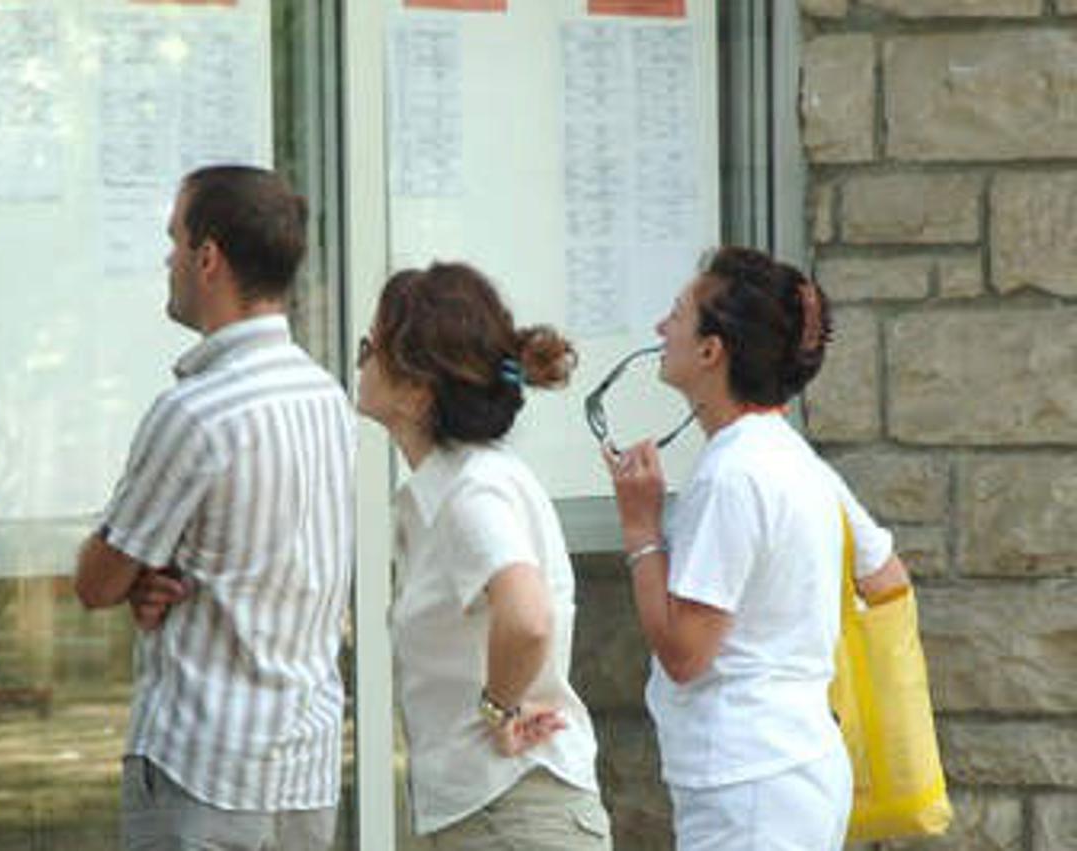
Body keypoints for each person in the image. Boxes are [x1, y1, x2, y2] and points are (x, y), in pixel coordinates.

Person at [73, 165, 356, 851]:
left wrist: (135, 575)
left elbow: (97, 581)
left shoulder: (196, 412)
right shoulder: (329, 400)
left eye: (174, 240)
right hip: (306, 768)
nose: (167, 260)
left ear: (208, 258)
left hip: (202, 764)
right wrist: (154, 574)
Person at [603, 246, 912, 850]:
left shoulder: (731, 475)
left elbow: (686, 653)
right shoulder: (791, 456)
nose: (661, 328)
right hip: (797, 765)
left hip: (747, 780)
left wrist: (640, 528)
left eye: (676, 314)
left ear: (711, 351)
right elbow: (885, 575)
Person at [356, 262, 611, 850]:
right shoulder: (463, 484)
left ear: (417, 393)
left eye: (370, 349)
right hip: (500, 812)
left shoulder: (470, 492)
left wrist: (499, 709)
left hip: (511, 814)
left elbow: (527, 616)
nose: (361, 361)